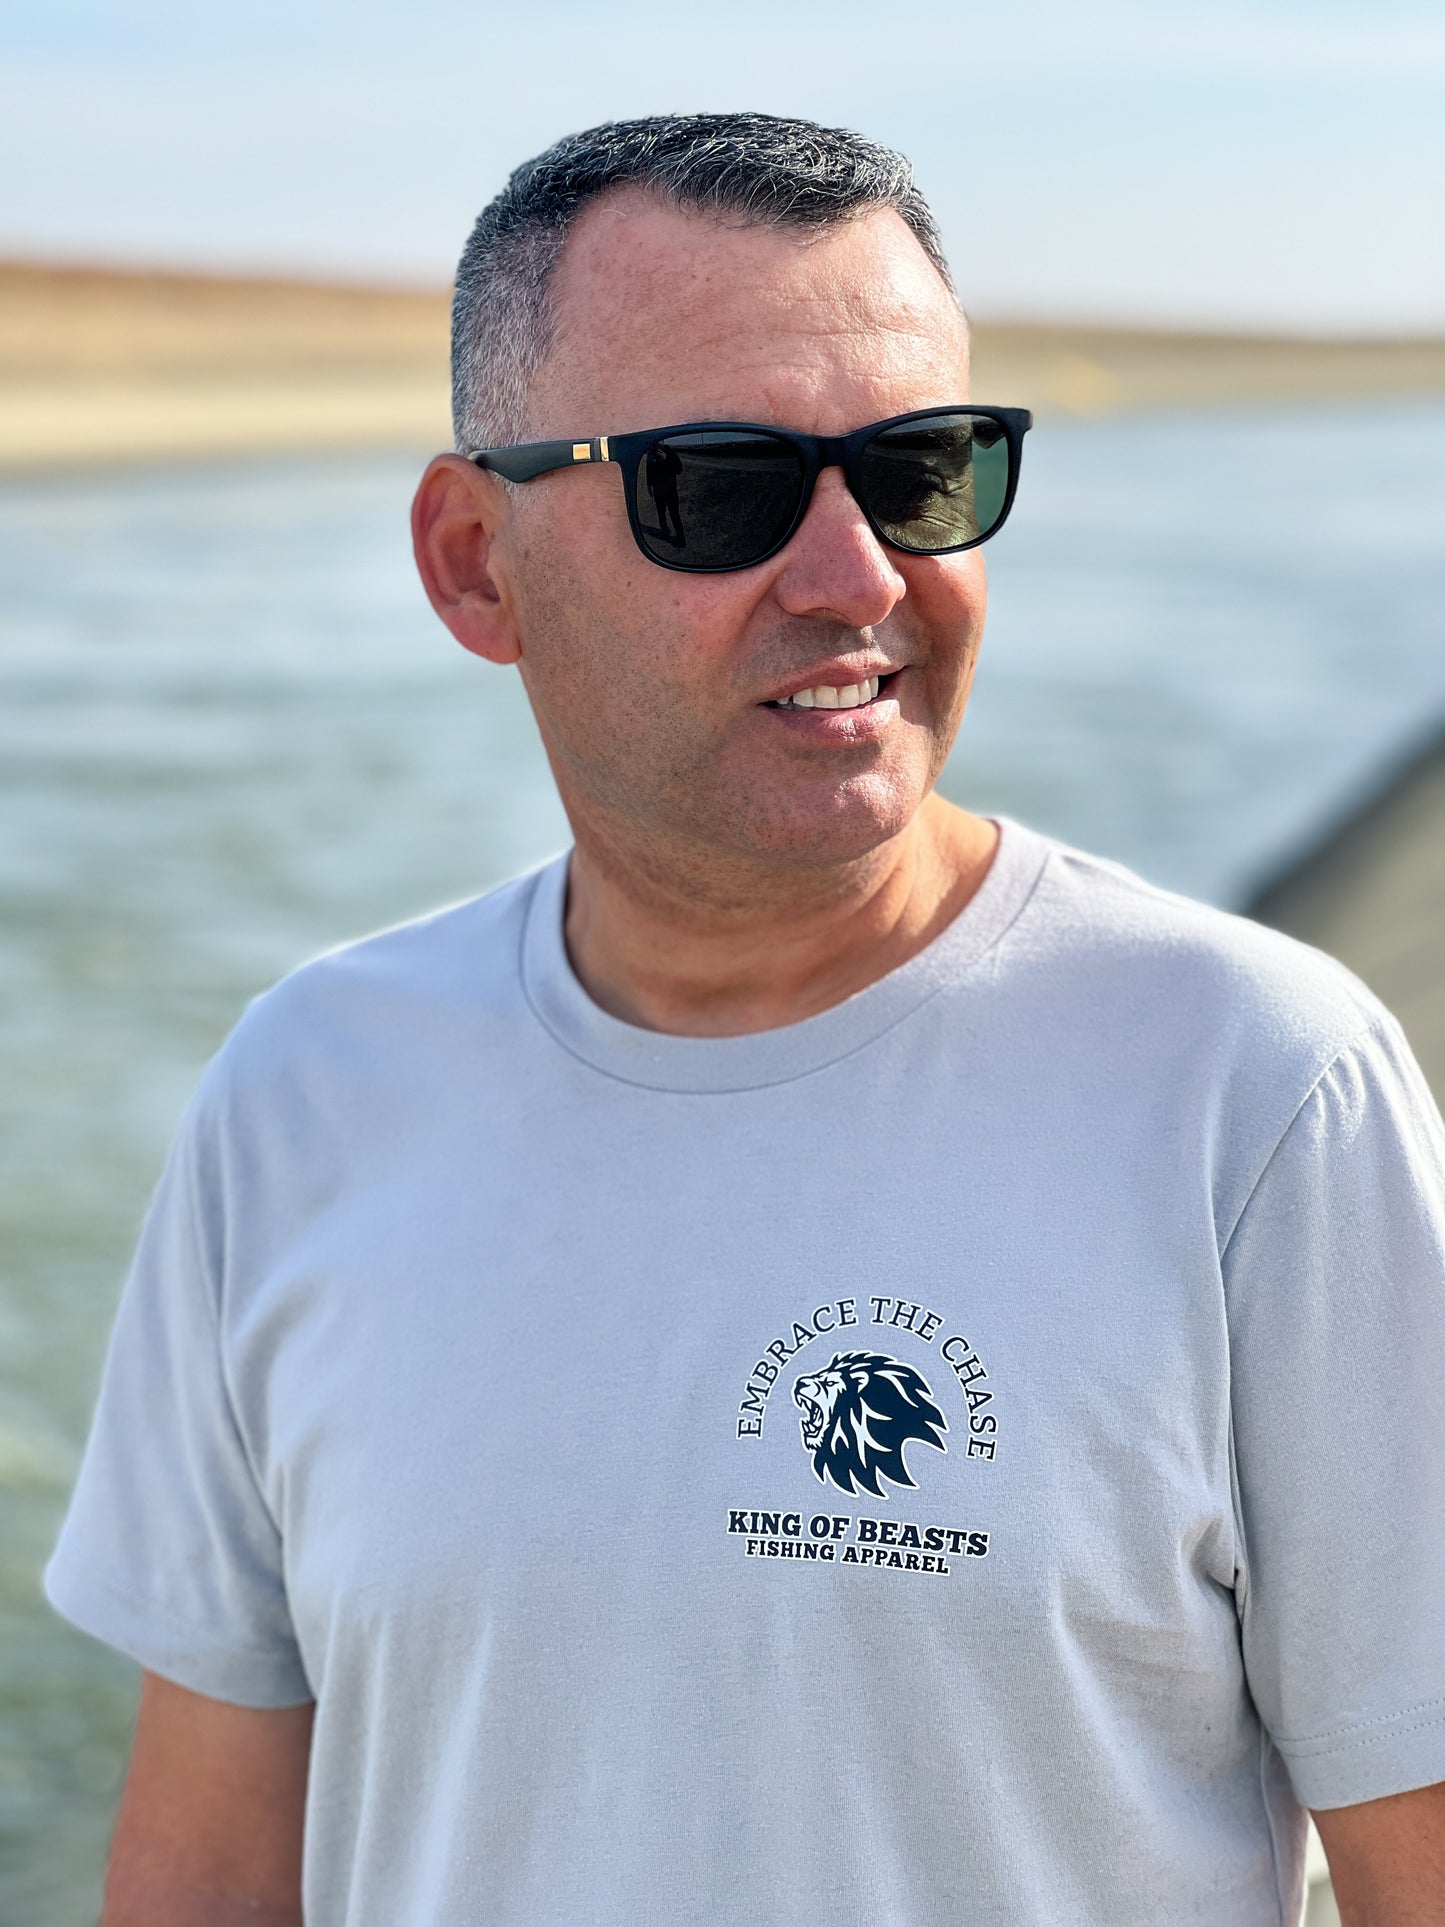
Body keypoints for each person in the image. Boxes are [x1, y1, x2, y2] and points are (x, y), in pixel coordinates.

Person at [43, 112, 1445, 1927]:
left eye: (922, 469)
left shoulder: (1255, 1088)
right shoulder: (306, 1093)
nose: (857, 576)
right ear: (474, 563)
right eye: (722, 484)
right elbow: (208, 1874)